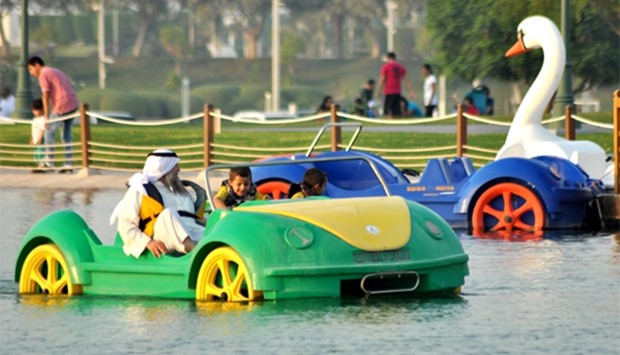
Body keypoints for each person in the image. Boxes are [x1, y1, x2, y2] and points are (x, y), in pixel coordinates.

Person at [110, 149, 203, 258]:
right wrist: (148, 243)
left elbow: (194, 217)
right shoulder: (140, 189)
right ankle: (198, 254)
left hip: (192, 231)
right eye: (175, 166)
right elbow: (124, 224)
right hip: (162, 237)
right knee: (168, 214)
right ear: (164, 168)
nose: (179, 169)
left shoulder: (180, 190)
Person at [27, 56, 79, 172]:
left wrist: (46, 117)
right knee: (66, 135)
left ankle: (48, 163)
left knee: (49, 132)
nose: (31, 73)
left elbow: (46, 95)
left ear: (37, 65)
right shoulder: (55, 71)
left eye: (31, 69)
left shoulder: (43, 74)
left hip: (62, 105)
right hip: (73, 103)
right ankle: (68, 164)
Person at [376, 52, 415, 118]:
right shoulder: (400, 67)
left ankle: (388, 125)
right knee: (397, 111)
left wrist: (378, 91)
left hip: (389, 92)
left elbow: (382, 80)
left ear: (388, 58)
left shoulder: (386, 67)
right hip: (397, 92)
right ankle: (397, 125)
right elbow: (406, 80)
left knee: (387, 111)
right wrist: (411, 91)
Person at [30, 99, 48, 173]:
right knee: (36, 154)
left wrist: (41, 137)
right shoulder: (34, 119)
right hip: (36, 139)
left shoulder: (43, 119)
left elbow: (43, 129)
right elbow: (33, 130)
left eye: (37, 110)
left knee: (41, 153)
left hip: (41, 140)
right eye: (34, 110)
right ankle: (39, 166)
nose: (35, 112)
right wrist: (32, 138)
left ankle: (42, 167)